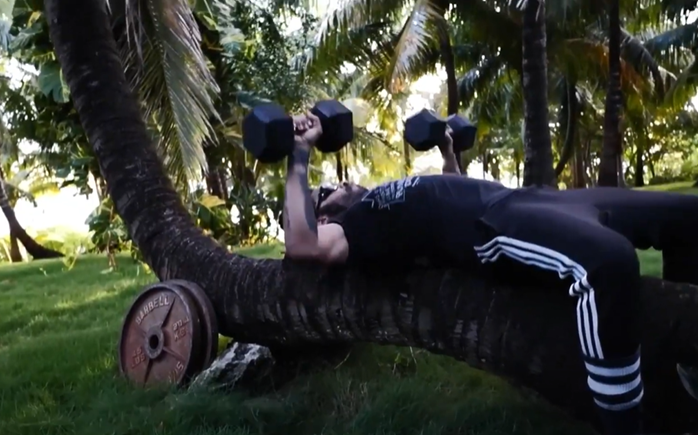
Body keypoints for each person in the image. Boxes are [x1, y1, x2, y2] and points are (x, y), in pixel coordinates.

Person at [282, 111, 698, 435]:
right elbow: (302, 243)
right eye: (327, 191)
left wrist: (447, 151)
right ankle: (625, 426)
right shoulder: (355, 226)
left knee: (687, 215)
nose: (340, 182)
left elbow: (452, 192)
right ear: (323, 213)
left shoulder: (385, 198)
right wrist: (300, 150)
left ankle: (690, 366)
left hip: (536, 199)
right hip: (495, 225)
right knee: (609, 264)